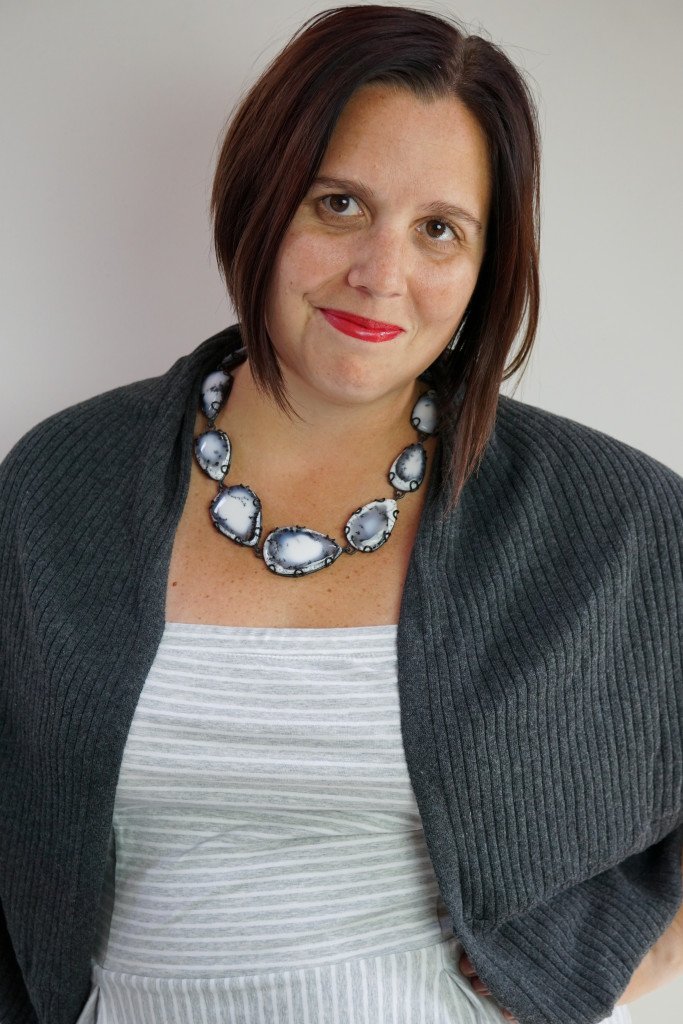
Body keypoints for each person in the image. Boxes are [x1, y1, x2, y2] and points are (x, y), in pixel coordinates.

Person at [1, 5, 682, 1024]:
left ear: (485, 263)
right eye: (338, 205)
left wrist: (588, 976)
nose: (381, 274)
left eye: (437, 230)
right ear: (262, 199)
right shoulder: (61, 485)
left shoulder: (609, 519)